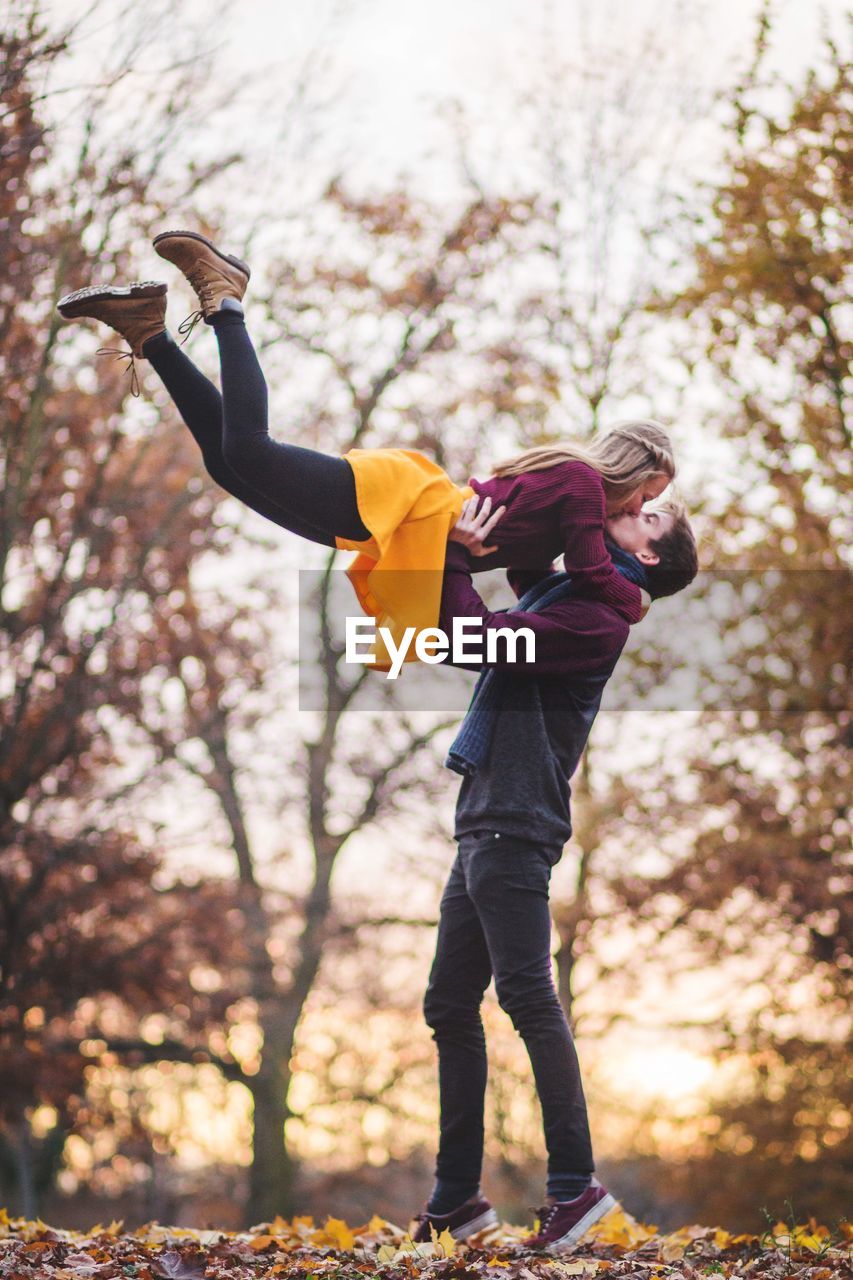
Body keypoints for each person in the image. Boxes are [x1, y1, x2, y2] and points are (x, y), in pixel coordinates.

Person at [56, 233, 676, 664]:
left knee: (229, 466)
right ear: (639, 471)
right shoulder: (584, 488)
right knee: (250, 449)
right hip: (411, 508)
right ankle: (227, 300)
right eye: (655, 494)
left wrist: (532, 596)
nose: (649, 502)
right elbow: (592, 570)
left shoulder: (577, 502)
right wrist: (635, 602)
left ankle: (149, 332)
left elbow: (529, 571)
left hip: (406, 534)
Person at [410, 494, 699, 1252]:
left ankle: (574, 1188)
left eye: (648, 516)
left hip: (515, 820)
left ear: (646, 555)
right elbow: (534, 562)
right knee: (447, 1004)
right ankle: (456, 1200)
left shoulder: (594, 621)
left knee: (528, 998)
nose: (633, 507)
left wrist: (455, 561)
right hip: (484, 816)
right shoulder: (565, 594)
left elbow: (479, 641)